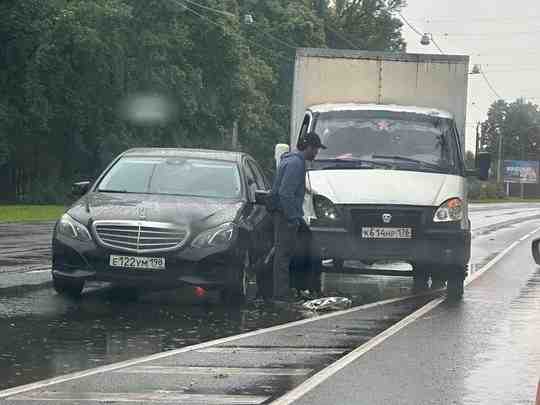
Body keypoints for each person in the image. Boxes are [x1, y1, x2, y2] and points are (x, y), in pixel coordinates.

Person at [270, 132, 325, 302]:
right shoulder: (295, 164)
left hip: (287, 214)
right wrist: (293, 218)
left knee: (287, 253)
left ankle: (290, 289)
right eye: (316, 149)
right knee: (283, 256)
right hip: (287, 215)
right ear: (308, 147)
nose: (317, 153)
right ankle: (281, 294)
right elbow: (285, 193)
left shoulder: (294, 161)